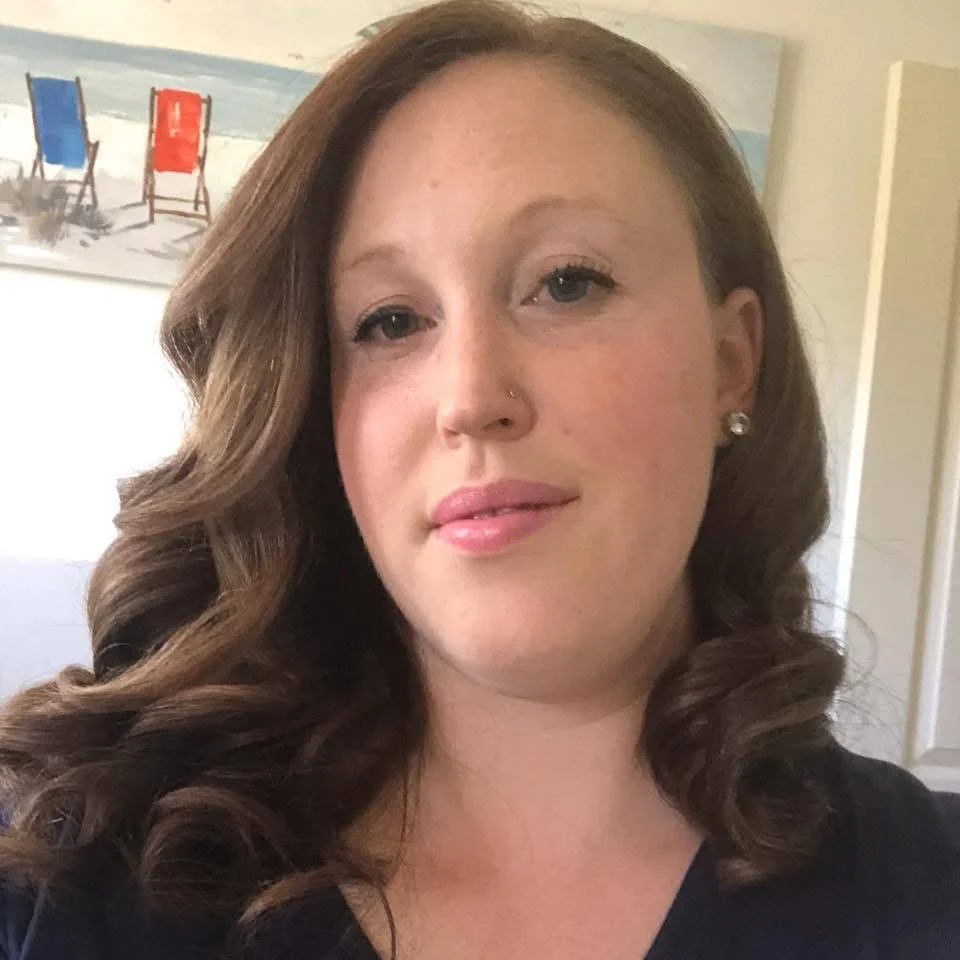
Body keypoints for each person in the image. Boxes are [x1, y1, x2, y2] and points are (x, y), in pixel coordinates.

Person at [1, 1, 958, 957]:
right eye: (387, 321)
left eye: (568, 281)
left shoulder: (928, 892)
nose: (469, 397)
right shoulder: (71, 878)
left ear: (730, 360)